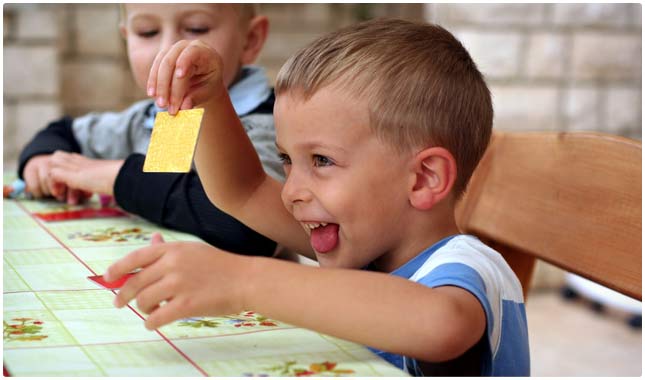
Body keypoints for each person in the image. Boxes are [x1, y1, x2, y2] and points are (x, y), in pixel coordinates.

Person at [105, 19, 531, 376]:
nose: (291, 191)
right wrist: (211, 100)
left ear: (422, 178)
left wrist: (241, 281)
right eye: (288, 160)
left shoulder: (466, 267)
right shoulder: (366, 240)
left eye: (322, 160)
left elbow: (442, 324)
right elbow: (244, 190)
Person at [16, 4, 282, 256]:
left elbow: (253, 228)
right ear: (126, 37)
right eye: (147, 32)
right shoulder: (147, 119)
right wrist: (43, 162)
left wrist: (118, 178)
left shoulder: (273, 126)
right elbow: (64, 131)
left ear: (250, 39)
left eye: (197, 28)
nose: (167, 49)